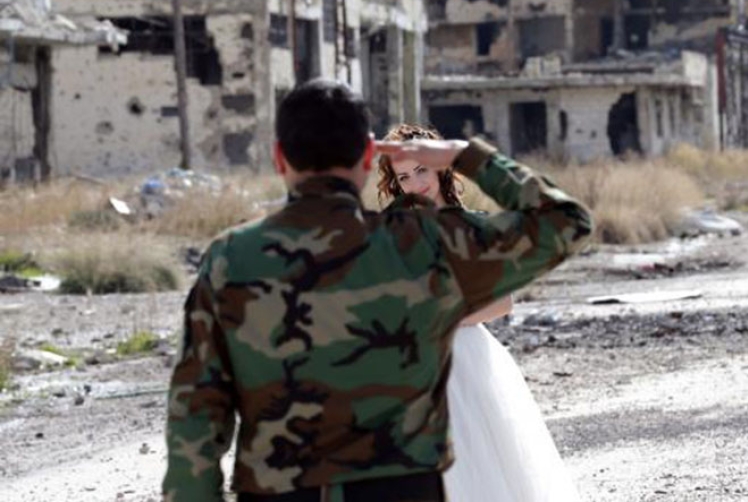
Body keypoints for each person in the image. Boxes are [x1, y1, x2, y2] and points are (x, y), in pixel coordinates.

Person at [162, 78, 592, 502]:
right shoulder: (420, 246)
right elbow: (566, 220)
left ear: (279, 157)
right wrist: (465, 155)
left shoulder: (231, 258)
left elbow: (196, 411)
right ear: (370, 157)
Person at [377, 123, 582, 502]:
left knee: (480, 467)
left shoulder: (473, 225)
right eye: (403, 177)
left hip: (469, 359)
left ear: (440, 166)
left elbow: (502, 302)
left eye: (421, 170)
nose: (415, 183)